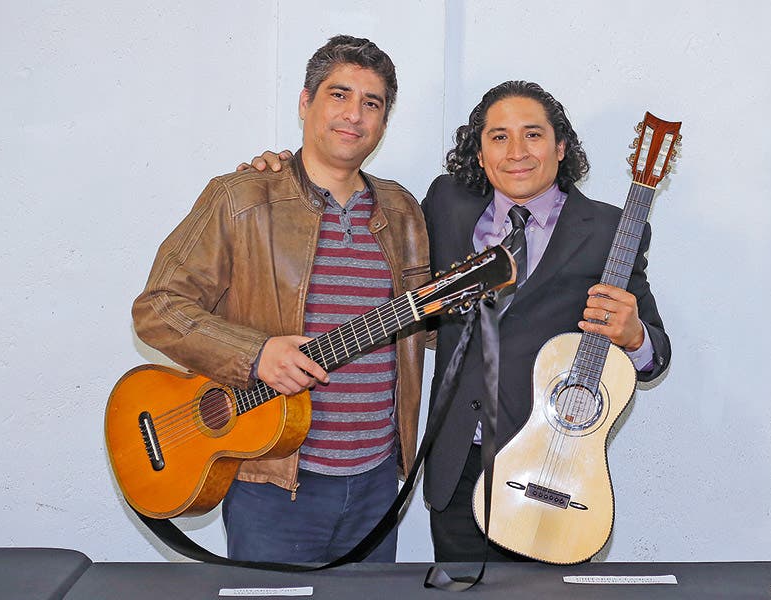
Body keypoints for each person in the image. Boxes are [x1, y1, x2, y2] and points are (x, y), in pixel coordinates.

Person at [243, 80, 671, 562]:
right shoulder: (446, 205)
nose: (517, 152)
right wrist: (282, 176)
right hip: (458, 468)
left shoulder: (610, 230)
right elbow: (364, 220)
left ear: (560, 147)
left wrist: (635, 337)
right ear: (481, 154)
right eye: (499, 137)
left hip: (552, 471)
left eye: (533, 135)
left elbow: (655, 357)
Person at [132, 35, 429, 563]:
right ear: (304, 102)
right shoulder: (241, 197)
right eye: (339, 95)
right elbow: (158, 307)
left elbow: (424, 329)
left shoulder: (403, 211)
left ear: (384, 122)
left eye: (372, 103)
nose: (354, 115)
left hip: (377, 482)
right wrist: (256, 354)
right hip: (269, 483)